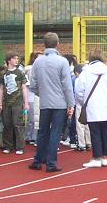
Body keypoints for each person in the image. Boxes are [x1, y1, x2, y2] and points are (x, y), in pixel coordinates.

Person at [29, 32, 75, 173]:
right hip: (60, 103)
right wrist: (71, 103)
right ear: (58, 44)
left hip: (45, 102)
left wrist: (41, 93)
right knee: (55, 132)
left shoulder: (38, 61)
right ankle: (51, 163)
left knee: (42, 132)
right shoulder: (62, 62)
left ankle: (38, 160)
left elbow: (33, 84)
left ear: (44, 44)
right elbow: (67, 85)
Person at [75, 49, 107, 168]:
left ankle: (96, 157)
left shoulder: (86, 72)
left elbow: (79, 91)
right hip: (106, 108)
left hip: (92, 107)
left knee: (95, 132)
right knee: (105, 132)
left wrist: (84, 103)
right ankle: (104, 157)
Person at [0, 52, 29, 155]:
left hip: (18, 102)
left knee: (18, 124)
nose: (16, 60)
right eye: (14, 58)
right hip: (6, 103)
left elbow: (24, 88)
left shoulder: (20, 73)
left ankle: (19, 146)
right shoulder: (3, 73)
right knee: (7, 124)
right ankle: (8, 145)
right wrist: (0, 103)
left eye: (17, 58)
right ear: (9, 60)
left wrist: (26, 103)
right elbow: (1, 88)